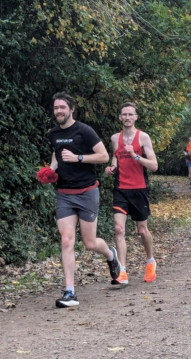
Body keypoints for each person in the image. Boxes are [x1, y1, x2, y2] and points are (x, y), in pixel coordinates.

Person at [38, 92, 121, 308]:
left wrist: (78, 158)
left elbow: (103, 156)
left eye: (62, 108)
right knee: (66, 240)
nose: (58, 111)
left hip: (86, 192)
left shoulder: (84, 131)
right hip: (64, 193)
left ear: (71, 109)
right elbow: (57, 154)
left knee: (90, 243)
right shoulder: (53, 133)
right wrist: (50, 170)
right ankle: (69, 292)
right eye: (56, 108)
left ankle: (111, 255)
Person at [105, 102, 158, 285]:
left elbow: (154, 165)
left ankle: (150, 261)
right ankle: (122, 272)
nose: (127, 118)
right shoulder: (114, 138)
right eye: (124, 115)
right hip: (121, 188)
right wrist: (112, 167)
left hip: (139, 189)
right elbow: (115, 156)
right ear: (120, 117)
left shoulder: (143, 137)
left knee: (142, 231)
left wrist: (135, 155)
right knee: (119, 229)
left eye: (130, 115)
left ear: (136, 117)